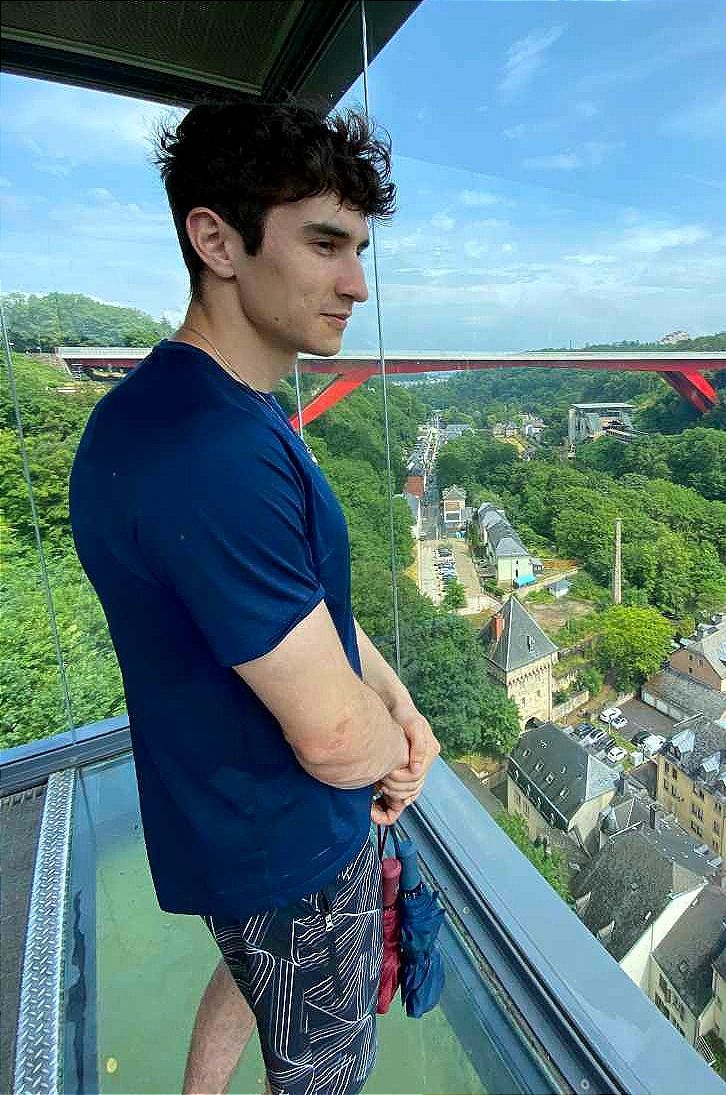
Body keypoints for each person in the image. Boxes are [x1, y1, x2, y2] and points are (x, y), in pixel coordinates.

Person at [68, 100, 440, 1095]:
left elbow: (305, 606)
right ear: (216, 239)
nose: (356, 284)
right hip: (292, 849)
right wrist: (393, 751)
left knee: (250, 975)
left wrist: (398, 704)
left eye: (359, 248)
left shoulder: (179, 409)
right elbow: (327, 738)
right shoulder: (212, 452)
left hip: (237, 837)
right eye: (324, 243)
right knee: (324, 1071)